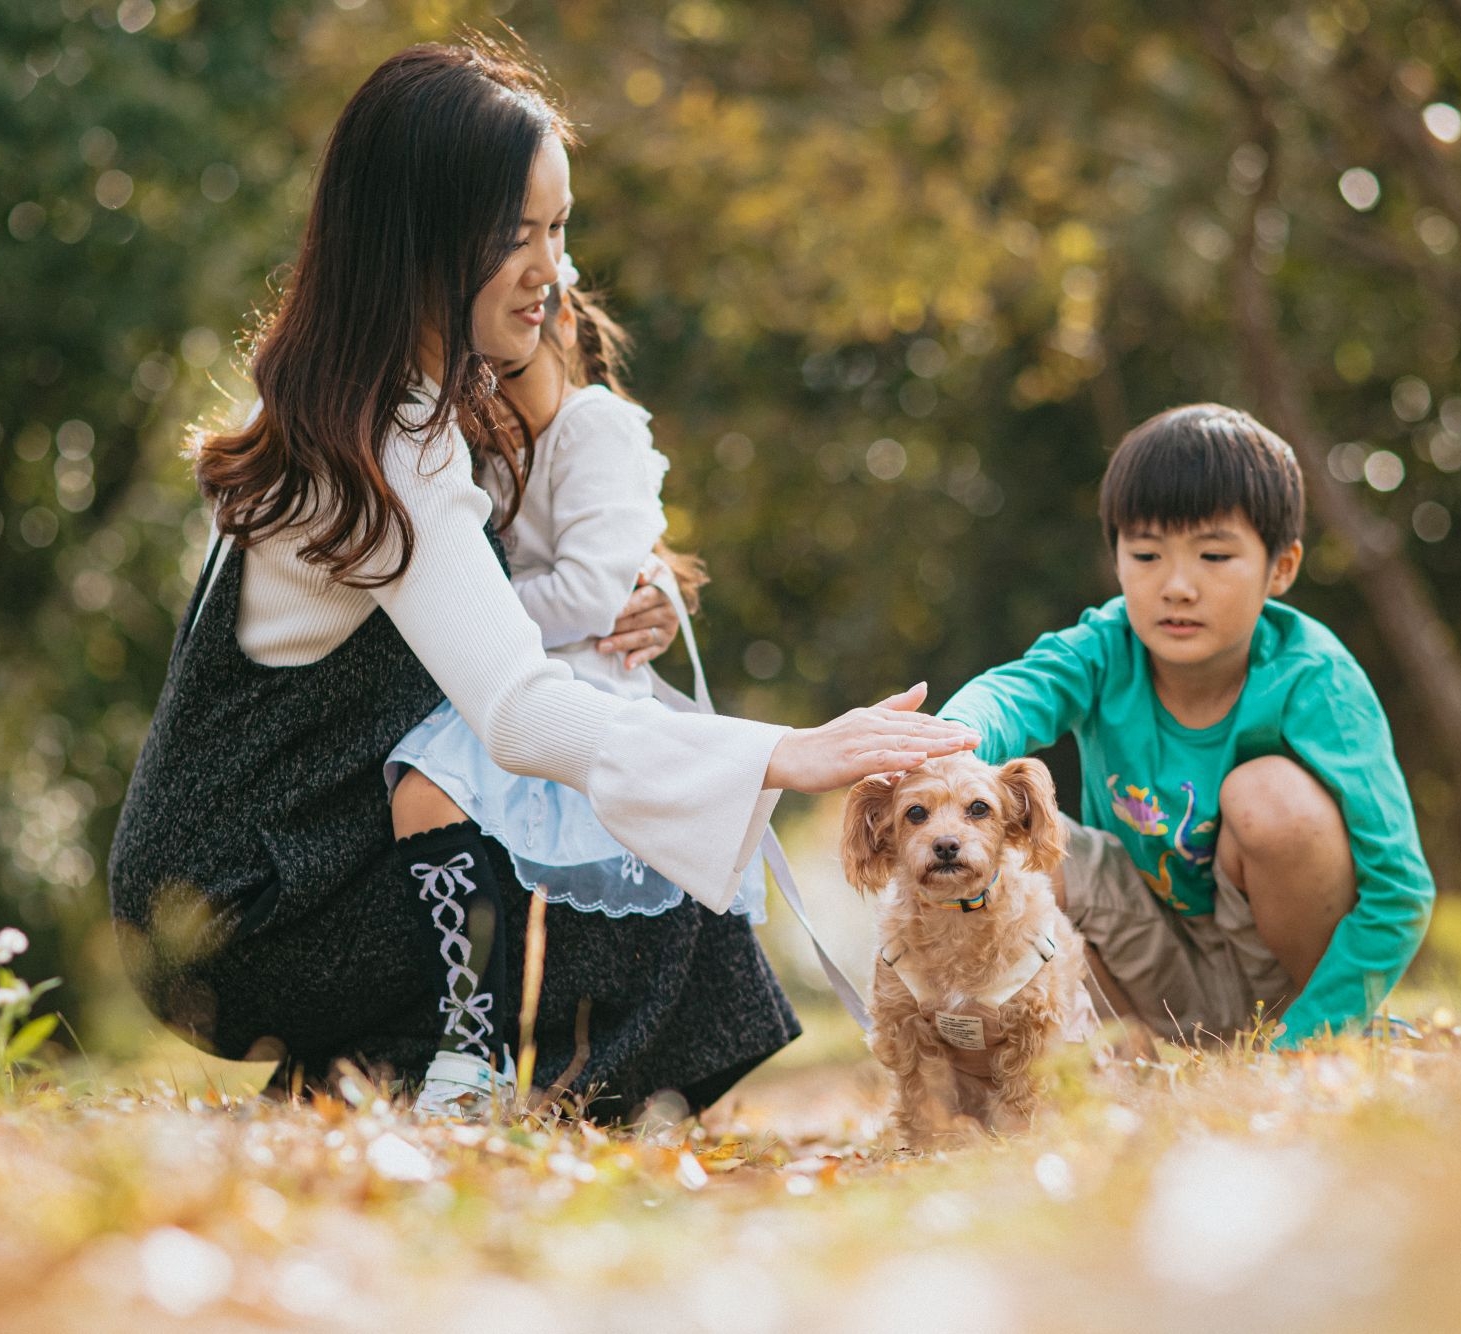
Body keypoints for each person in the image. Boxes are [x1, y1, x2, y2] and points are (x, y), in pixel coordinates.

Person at [106, 41, 977, 1120]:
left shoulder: (364, 400)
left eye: (556, 230)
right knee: (627, 846)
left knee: (620, 817)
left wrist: (630, 586)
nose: (549, 270)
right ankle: (511, 1091)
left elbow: (464, 591)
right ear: (418, 237)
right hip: (242, 918)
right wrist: (781, 753)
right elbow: (515, 709)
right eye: (513, 236)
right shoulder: (387, 438)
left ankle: (373, 1074)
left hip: (269, 881)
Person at [386, 256, 771, 1115]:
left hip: (578, 681)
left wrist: (452, 613)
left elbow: (594, 592)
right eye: (477, 374)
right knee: (424, 798)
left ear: (558, 326)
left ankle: (555, 1067)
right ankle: (468, 1049)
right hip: (504, 676)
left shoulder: (596, 427)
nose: (491, 388)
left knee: (450, 799)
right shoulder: (474, 450)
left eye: (509, 367)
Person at [937, 404, 1435, 1049]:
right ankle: (1100, 1059)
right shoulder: (1102, 649)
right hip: (1145, 968)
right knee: (1018, 844)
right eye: (1146, 553)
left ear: (1280, 568)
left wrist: (1303, 1043)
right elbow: (1014, 692)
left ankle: (1338, 1038)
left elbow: (1401, 888)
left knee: (1270, 797)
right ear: (1116, 559)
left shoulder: (1315, 679)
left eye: (1214, 555)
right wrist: (947, 742)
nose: (1176, 586)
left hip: (1290, 987)